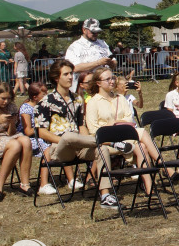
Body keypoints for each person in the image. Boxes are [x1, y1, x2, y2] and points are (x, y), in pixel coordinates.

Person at [35, 60, 125, 208]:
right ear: (57, 78)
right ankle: (110, 142)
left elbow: (81, 125)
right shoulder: (46, 101)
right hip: (60, 148)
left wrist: (85, 139)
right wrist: (67, 140)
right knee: (68, 137)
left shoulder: (77, 99)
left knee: (101, 150)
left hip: (80, 145)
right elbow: (42, 132)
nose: (71, 77)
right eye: (66, 74)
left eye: (71, 73)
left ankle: (105, 195)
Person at [84, 67, 156, 195]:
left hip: (125, 136)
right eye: (107, 79)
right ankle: (161, 164)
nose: (112, 81)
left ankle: (149, 188)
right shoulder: (93, 102)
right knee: (142, 136)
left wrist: (117, 125)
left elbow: (129, 118)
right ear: (98, 83)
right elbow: (93, 129)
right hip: (107, 142)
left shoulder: (120, 98)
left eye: (112, 78)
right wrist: (112, 125)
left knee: (142, 146)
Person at [64, 19, 117, 90]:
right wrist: (98, 63)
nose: (96, 34)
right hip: (85, 88)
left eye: (97, 32)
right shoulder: (75, 47)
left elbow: (114, 63)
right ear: (84, 30)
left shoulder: (103, 43)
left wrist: (111, 63)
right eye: (93, 32)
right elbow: (74, 68)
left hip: (104, 87)